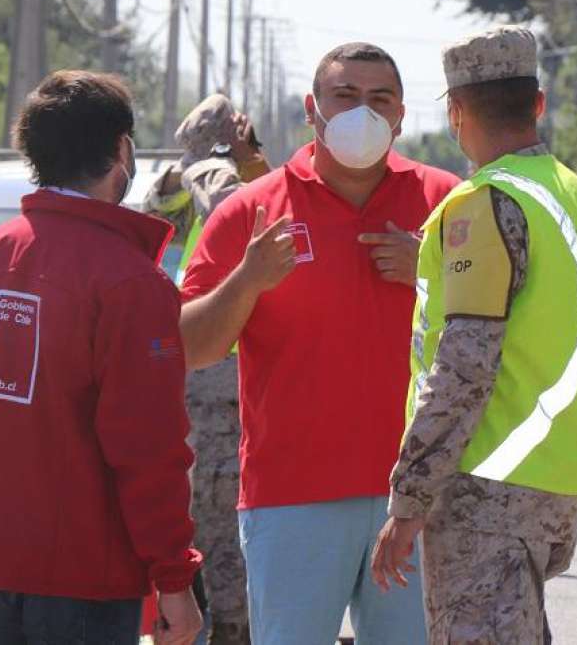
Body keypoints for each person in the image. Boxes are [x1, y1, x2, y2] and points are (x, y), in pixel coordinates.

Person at [179, 42, 460, 644]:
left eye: (379, 99)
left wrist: (431, 275)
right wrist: (248, 280)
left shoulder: (445, 203)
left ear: (402, 116)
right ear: (314, 109)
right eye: (346, 96)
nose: (363, 111)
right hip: (291, 497)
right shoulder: (253, 211)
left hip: (416, 497)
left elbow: (499, 329)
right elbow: (190, 346)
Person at [0, 70, 203, 645]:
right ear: (121, 151)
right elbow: (148, 446)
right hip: (80, 568)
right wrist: (174, 576)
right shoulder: (128, 279)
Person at [371, 26, 577, 645]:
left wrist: (410, 496)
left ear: (455, 112)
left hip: (486, 484)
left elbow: (463, 367)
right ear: (537, 103)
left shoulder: (482, 204)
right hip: (557, 477)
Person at [144, 94, 272, 645]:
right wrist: (239, 159)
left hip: (190, 362)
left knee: (199, 508)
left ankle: (211, 619)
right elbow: (253, 211)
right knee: (220, 513)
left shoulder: (176, 183)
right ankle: (232, 625)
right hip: (220, 368)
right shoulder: (215, 179)